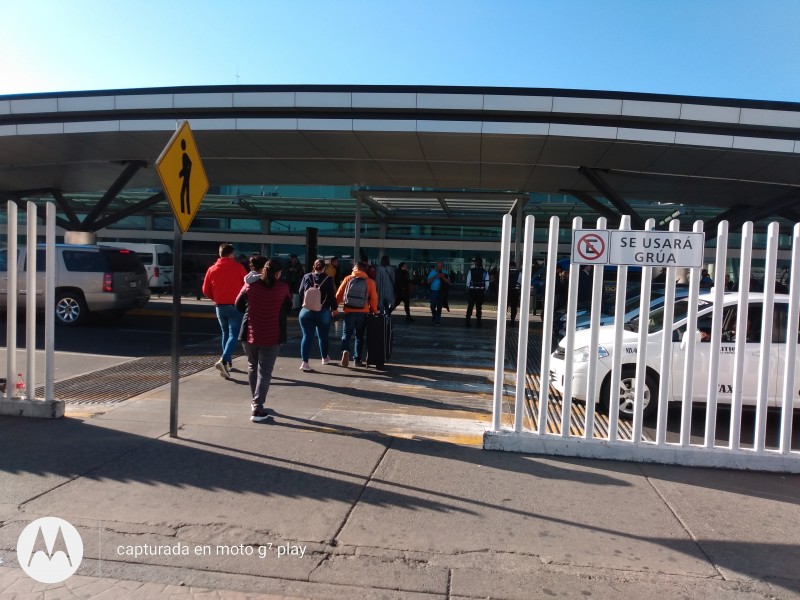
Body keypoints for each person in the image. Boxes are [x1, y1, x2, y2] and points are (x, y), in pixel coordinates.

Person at [235, 258, 291, 423]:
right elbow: (288, 308)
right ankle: (258, 408)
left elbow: (238, 304)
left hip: (250, 334)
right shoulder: (282, 288)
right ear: (277, 273)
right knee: (265, 372)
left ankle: (255, 401)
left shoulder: (250, 286)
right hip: (272, 335)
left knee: (252, 366)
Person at [202, 242, 248, 379]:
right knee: (234, 334)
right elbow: (246, 286)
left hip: (219, 306)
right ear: (230, 254)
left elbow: (205, 290)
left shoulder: (212, 269)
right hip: (235, 306)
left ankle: (227, 362)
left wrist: (215, 297)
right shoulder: (238, 267)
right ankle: (223, 360)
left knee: (225, 334)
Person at [298, 259, 339, 371]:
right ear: (324, 268)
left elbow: (301, 291)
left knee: (307, 336)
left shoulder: (307, 277)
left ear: (313, 267)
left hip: (306, 311)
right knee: (323, 336)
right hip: (323, 311)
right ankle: (324, 358)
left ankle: (305, 363)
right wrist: (334, 309)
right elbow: (331, 296)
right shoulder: (328, 279)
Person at [336, 261, 378, 367]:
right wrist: (374, 310)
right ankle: (357, 359)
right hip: (363, 312)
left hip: (349, 311)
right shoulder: (370, 282)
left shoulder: (348, 279)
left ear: (356, 269)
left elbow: (339, 294)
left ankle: (345, 350)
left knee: (346, 334)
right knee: (359, 337)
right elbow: (374, 298)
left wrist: (334, 306)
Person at [465, 257, 489, 327]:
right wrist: (484, 291)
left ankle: (467, 321)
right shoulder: (485, 272)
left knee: (470, 306)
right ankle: (478, 322)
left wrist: (469, 290)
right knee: (479, 307)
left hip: (472, 291)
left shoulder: (471, 271)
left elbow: (468, 283)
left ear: (475, 263)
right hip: (480, 292)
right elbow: (487, 284)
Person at [426, 261, 450, 326]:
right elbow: (428, 281)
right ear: (436, 266)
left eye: (441, 266)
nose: (440, 268)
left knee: (439, 307)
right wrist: (435, 277)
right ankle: (435, 316)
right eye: (439, 266)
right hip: (433, 291)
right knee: (432, 306)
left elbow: (448, 282)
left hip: (441, 291)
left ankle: (437, 321)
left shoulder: (445, 272)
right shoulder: (432, 272)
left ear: (443, 266)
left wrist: (442, 276)